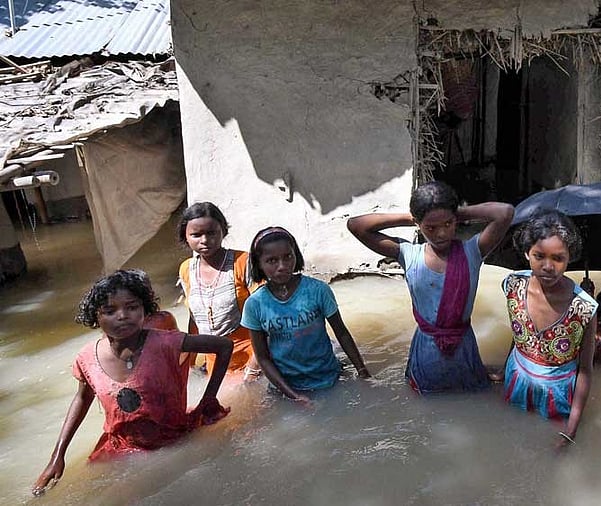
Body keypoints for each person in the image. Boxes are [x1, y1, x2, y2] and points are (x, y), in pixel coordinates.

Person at [32, 270, 232, 496]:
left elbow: (224, 346)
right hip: (122, 449)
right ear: (95, 316)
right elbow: (82, 398)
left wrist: (209, 398)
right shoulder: (87, 358)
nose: (122, 316)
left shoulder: (166, 342)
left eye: (132, 307)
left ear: (145, 310)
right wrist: (58, 455)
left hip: (177, 440)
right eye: (110, 311)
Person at [346, 181, 514, 393]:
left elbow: (505, 212)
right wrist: (411, 218)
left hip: (463, 347)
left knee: (469, 395)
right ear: (418, 224)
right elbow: (356, 225)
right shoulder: (408, 254)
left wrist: (456, 212)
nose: (441, 234)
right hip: (427, 350)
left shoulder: (472, 251)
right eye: (431, 227)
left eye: (448, 224)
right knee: (426, 400)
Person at [240, 227, 370, 405]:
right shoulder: (255, 304)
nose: (282, 266)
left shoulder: (318, 290)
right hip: (286, 387)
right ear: (259, 264)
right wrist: (292, 395)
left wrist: (362, 371)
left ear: (296, 255)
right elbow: (262, 358)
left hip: (330, 378)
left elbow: (342, 333)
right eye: (271, 261)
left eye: (288, 257)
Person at [500, 210, 597, 448]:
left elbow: (585, 370)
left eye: (558, 258)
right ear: (527, 254)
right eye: (539, 256)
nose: (548, 266)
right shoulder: (512, 285)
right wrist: (504, 369)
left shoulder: (585, 307)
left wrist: (571, 430)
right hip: (516, 378)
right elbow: (518, 332)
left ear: (569, 258)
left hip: (559, 392)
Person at [177, 202, 260, 380]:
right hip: (215, 363)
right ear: (186, 237)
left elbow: (267, 316)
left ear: (223, 230)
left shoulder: (243, 262)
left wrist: (253, 369)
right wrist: (189, 365)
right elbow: (194, 319)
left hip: (251, 357)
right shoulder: (186, 269)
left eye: (211, 233)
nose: (205, 240)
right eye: (196, 235)